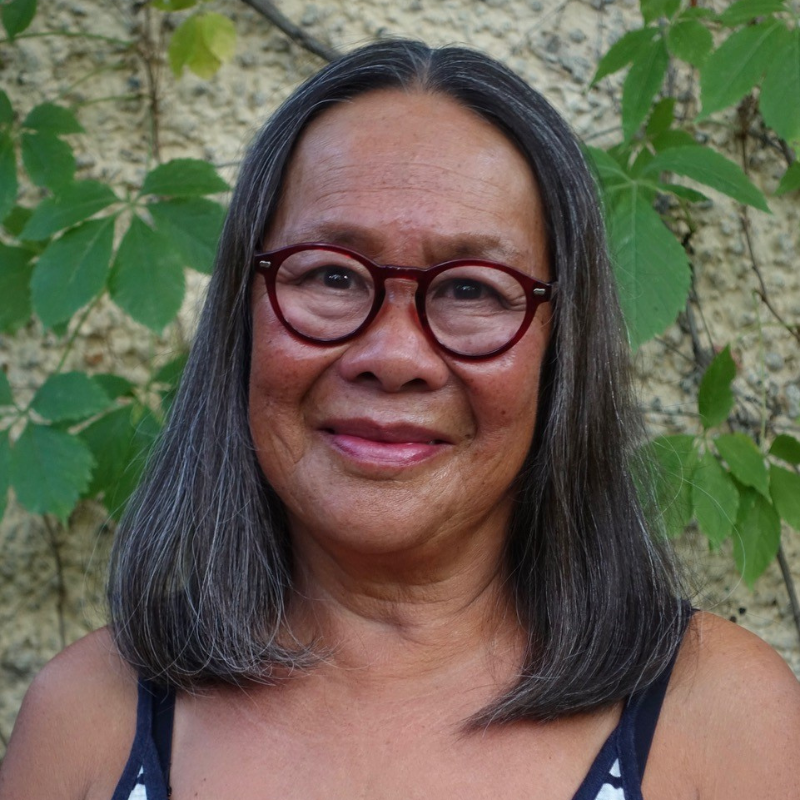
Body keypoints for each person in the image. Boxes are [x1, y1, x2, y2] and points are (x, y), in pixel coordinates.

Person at [1, 39, 799, 800]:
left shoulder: (719, 720)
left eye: (471, 289)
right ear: (241, 318)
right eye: (333, 275)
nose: (393, 354)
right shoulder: (87, 719)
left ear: (564, 348)